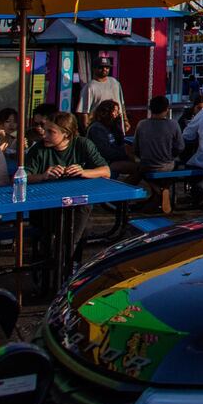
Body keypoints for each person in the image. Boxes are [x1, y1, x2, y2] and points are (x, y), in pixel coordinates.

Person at [25, 112, 111, 271]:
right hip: (46, 206)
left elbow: (106, 171)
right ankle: (66, 262)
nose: (45, 135)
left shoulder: (83, 144)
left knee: (83, 211)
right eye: (45, 129)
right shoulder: (39, 149)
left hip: (75, 205)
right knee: (82, 225)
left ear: (66, 134)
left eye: (51, 132)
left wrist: (83, 172)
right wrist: (44, 175)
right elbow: (23, 177)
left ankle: (65, 262)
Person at [132, 96, 185, 179]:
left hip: (146, 165)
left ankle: (158, 189)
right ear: (166, 109)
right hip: (166, 165)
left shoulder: (141, 124)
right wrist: (170, 156)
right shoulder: (173, 124)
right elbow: (180, 147)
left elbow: (135, 148)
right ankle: (162, 189)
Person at [86, 100, 137, 180]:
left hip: (114, 159)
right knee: (138, 168)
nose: (117, 114)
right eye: (115, 111)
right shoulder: (97, 128)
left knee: (141, 164)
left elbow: (120, 141)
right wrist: (124, 152)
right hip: (104, 162)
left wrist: (118, 125)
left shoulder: (110, 126)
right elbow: (105, 152)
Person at [77, 59, 127, 131]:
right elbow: (83, 112)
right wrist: (87, 130)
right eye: (101, 67)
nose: (104, 69)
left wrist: (125, 121)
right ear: (94, 69)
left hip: (116, 126)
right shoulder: (90, 87)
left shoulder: (115, 83)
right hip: (99, 127)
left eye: (107, 67)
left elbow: (122, 104)